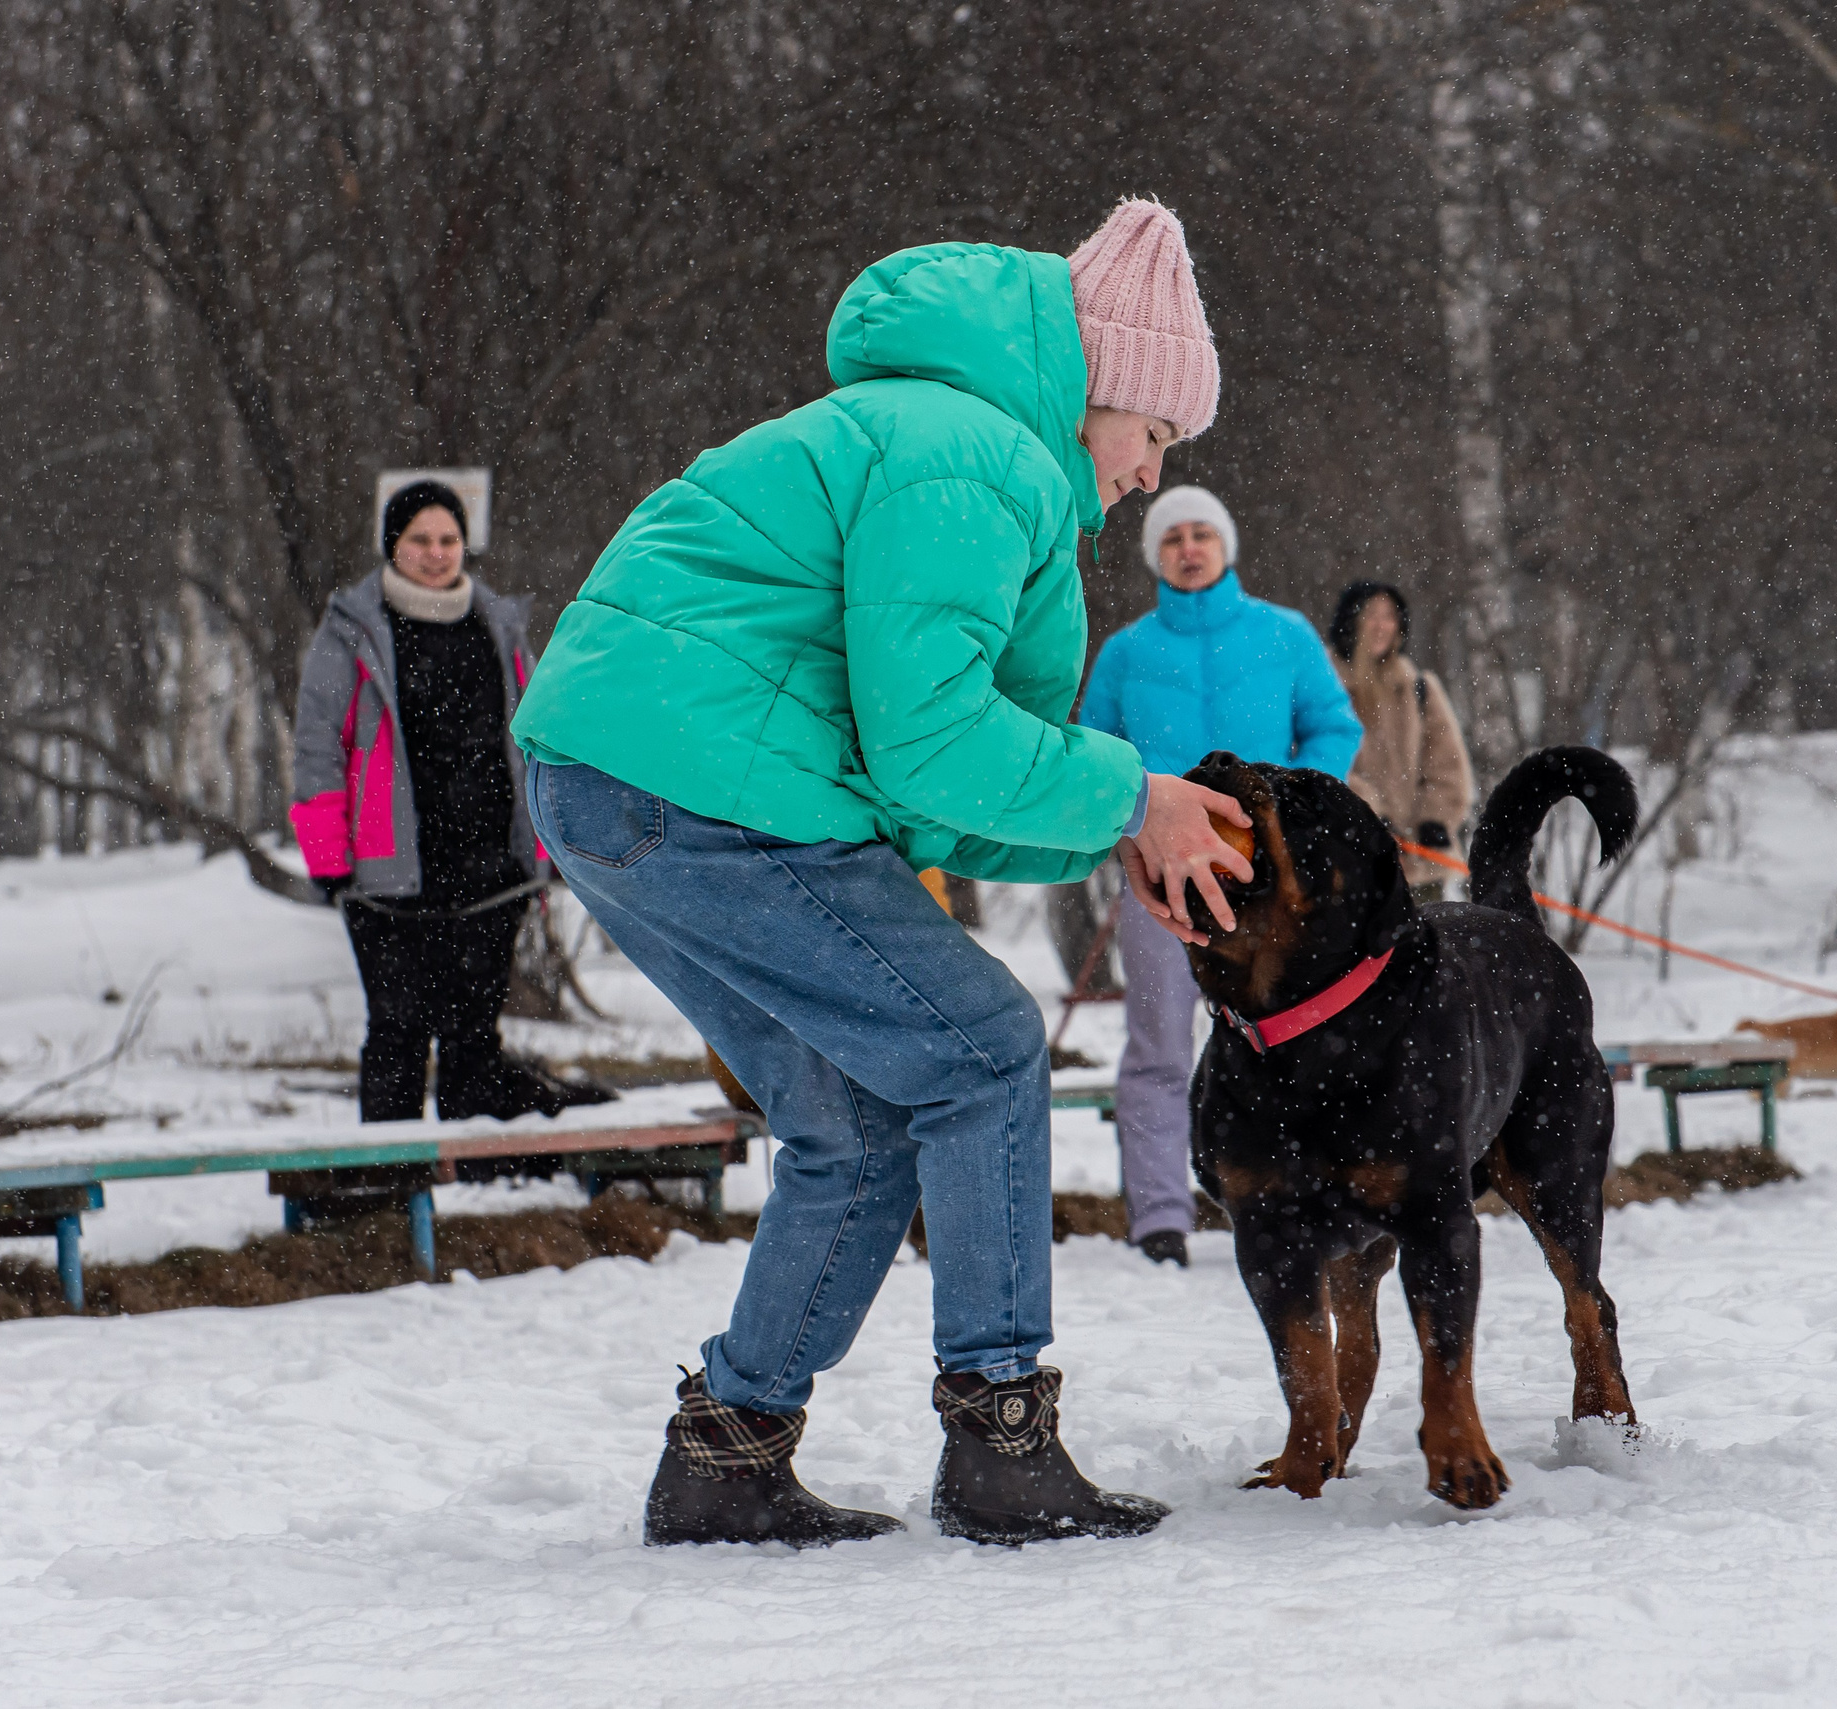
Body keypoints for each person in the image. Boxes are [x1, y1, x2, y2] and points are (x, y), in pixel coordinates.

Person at [511, 199, 1255, 1549]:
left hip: (621, 773)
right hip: (698, 780)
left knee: (857, 1120)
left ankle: (728, 1455)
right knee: (980, 1045)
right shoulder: (971, 453)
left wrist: (1112, 828)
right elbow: (932, 746)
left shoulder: (943, 440)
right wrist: (1132, 794)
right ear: (1106, 394)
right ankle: (1001, 1437)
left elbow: (935, 781)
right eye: (1155, 436)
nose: (1151, 477)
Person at [1076, 485, 1363, 1268]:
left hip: (1270, 878)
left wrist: (1299, 816)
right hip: (1164, 876)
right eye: (1174, 538)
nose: (1190, 548)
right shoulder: (1128, 651)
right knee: (1161, 1045)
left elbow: (1334, 725)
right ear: (1156, 556)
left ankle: (1305, 1197)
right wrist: (1124, 824)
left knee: (1295, 1036)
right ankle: (1161, 1216)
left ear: (1227, 545)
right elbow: (1092, 748)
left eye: (1204, 533)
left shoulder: (1284, 634)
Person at [289, 481, 613, 1123]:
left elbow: (536, 740)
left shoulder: (499, 626)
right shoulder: (351, 633)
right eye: (420, 540)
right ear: (393, 545)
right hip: (390, 877)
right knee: (397, 1033)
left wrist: (542, 848)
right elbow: (316, 753)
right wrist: (328, 857)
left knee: (473, 1038)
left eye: (449, 540)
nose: (437, 554)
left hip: (490, 870)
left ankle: (475, 1187)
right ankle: (388, 1189)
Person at [1330, 580, 1474, 906]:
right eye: (1371, 615)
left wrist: (1433, 821)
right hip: (1348, 863)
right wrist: (1371, 820)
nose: (1381, 626)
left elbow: (1449, 768)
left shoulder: (1420, 688)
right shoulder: (1324, 687)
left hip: (1418, 869)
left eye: (1389, 616)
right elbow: (1322, 761)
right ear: (1349, 622)